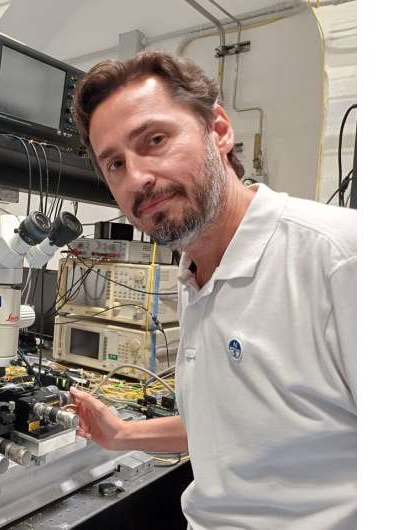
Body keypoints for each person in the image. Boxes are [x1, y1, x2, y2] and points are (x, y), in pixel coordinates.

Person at [69, 51, 356, 529]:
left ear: (219, 130)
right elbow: (237, 426)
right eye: (115, 164)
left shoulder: (341, 257)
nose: (137, 177)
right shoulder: (195, 274)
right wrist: (122, 434)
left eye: (155, 139)